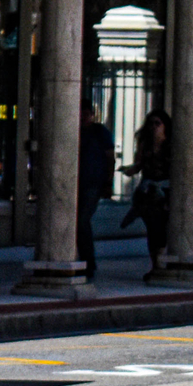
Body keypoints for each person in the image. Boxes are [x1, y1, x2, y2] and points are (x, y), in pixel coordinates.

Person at [126, 108, 171, 274]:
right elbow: (139, 165)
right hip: (148, 189)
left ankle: (160, 262)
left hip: (165, 190)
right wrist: (131, 169)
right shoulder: (145, 145)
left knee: (162, 228)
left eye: (157, 123)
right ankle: (156, 265)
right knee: (153, 227)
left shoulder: (171, 145)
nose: (154, 127)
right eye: (151, 124)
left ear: (165, 126)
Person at [76, 103, 113, 280]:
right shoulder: (74, 131)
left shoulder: (100, 132)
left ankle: (88, 262)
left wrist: (108, 182)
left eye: (86, 113)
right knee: (78, 222)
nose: (83, 117)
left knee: (82, 220)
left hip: (93, 183)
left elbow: (109, 157)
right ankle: (84, 260)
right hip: (75, 184)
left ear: (92, 114)